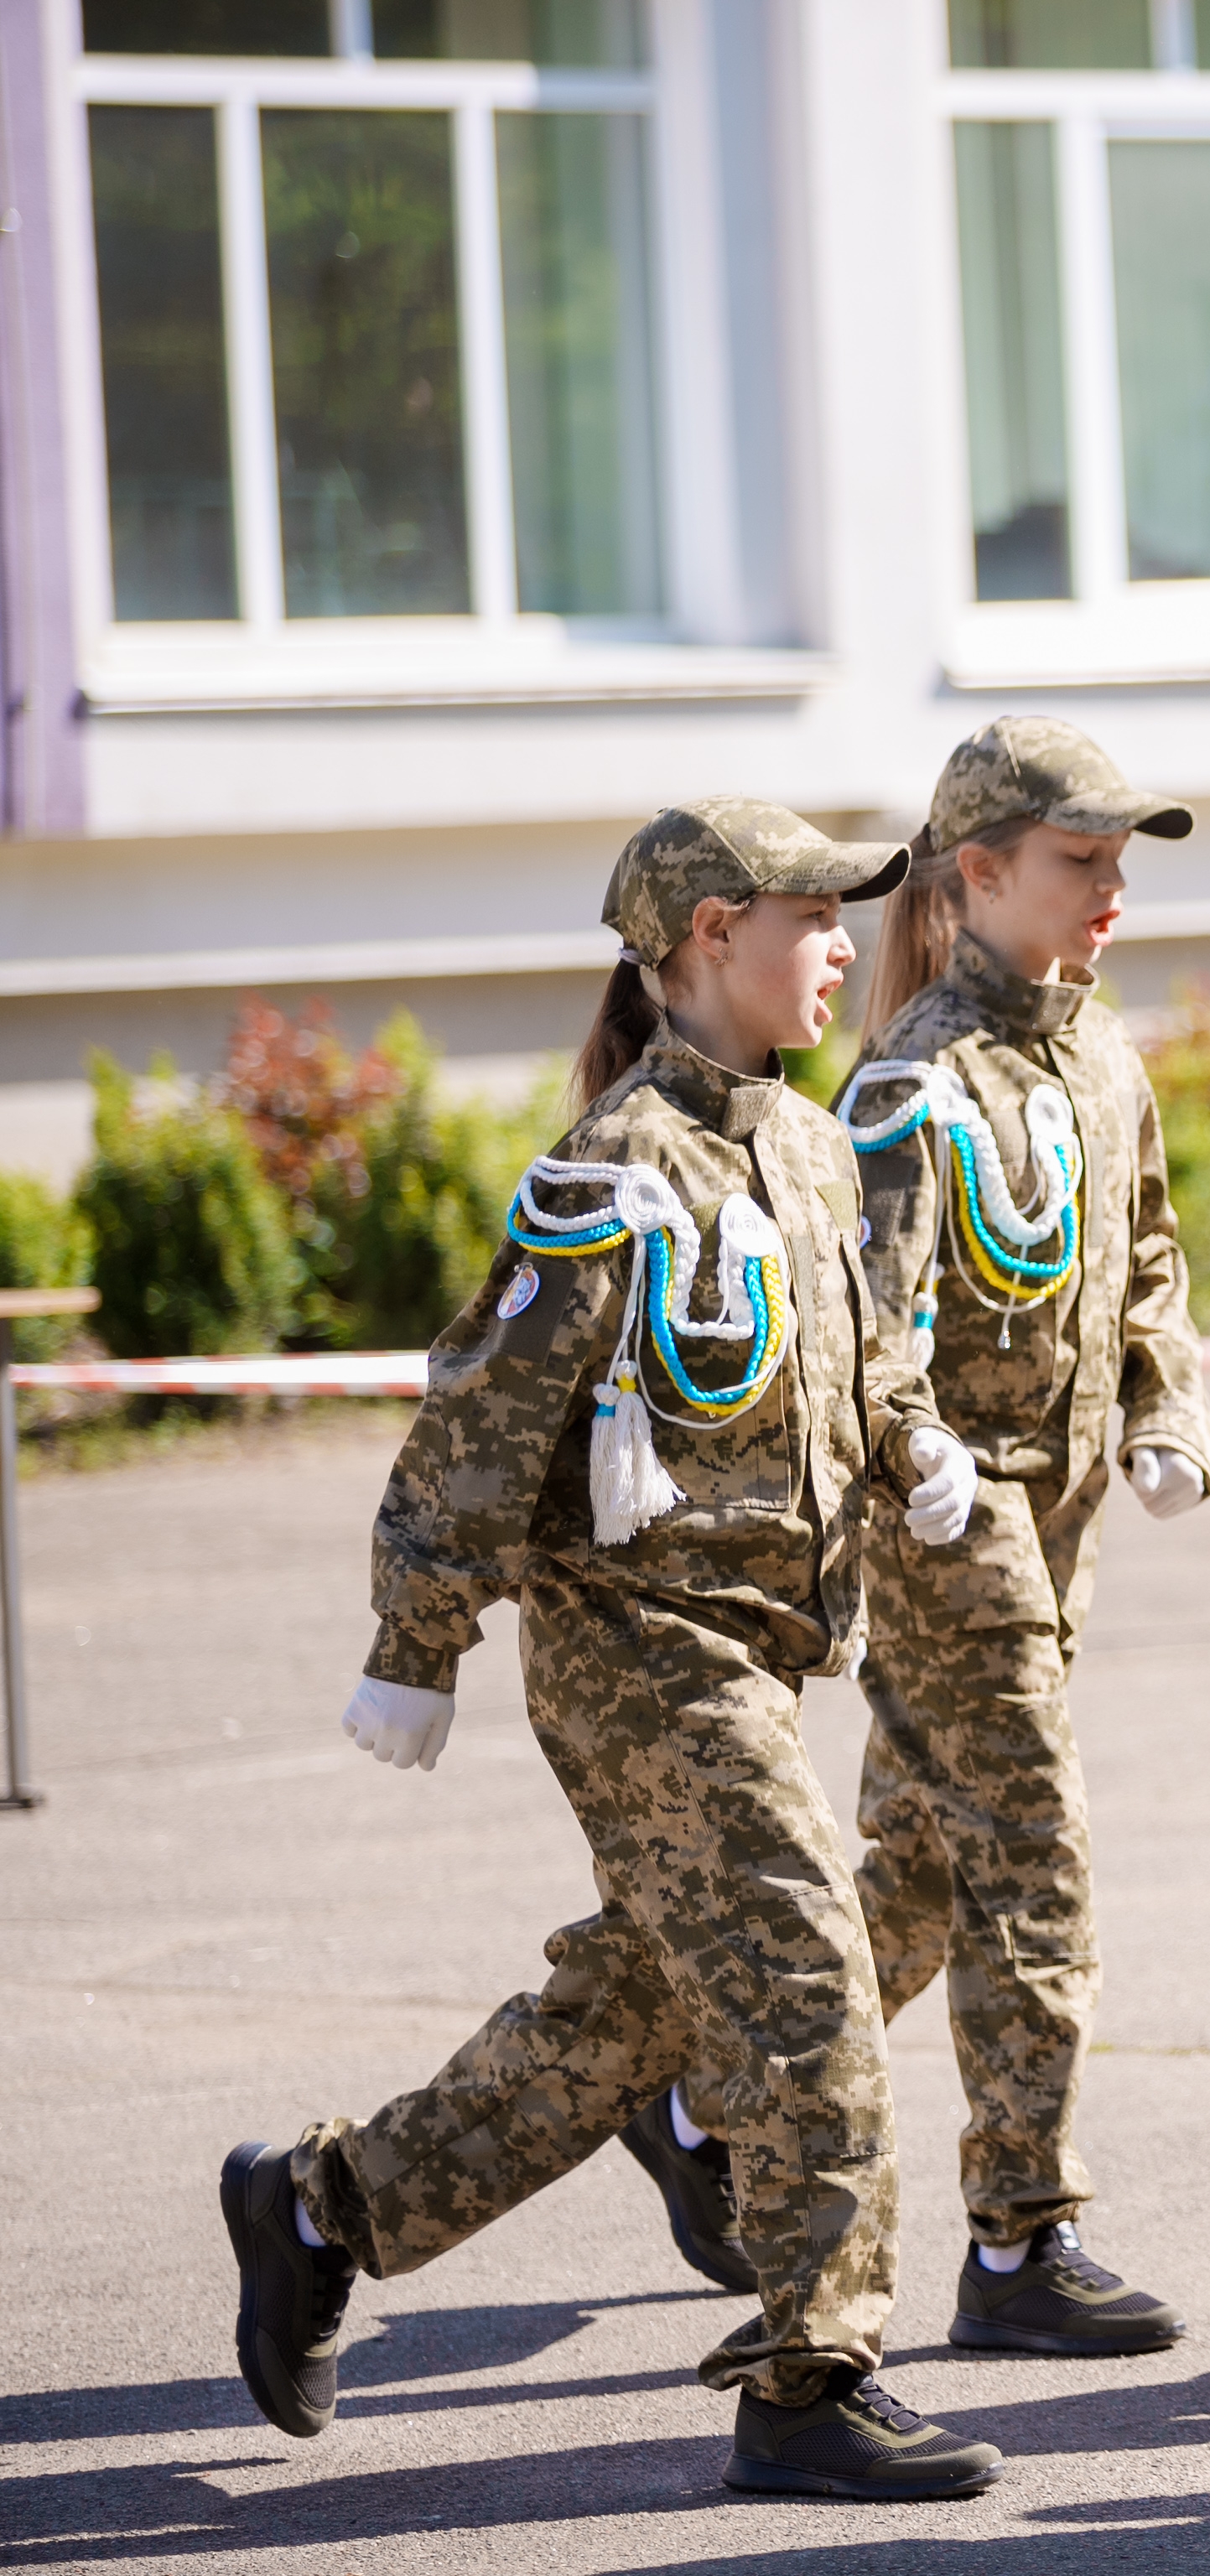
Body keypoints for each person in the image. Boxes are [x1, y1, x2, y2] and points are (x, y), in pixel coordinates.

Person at [220, 800, 1005, 2500]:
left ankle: (320, 2208)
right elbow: (481, 1418)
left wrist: (911, 1444)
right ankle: (812, 2377)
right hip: (639, 1653)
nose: (846, 946)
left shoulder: (798, 1146)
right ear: (709, 935)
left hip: (756, 1647)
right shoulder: (611, 1169)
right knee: (811, 1972)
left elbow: (841, 1356)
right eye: (812, 917)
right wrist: (415, 1636)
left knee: (637, 2009)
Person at [621, 719, 1210, 2355]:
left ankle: (706, 2100)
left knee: (932, 1873)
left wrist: (1168, 1406)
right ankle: (1021, 2238)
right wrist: (926, 1459)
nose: (1111, 898)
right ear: (980, 873)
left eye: (1118, 867)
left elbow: (1148, 1249)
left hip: (1064, 1518)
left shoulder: (1100, 1053)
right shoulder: (911, 1083)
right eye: (1081, 865)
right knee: (1036, 1854)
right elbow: (855, 1316)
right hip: (949, 1527)